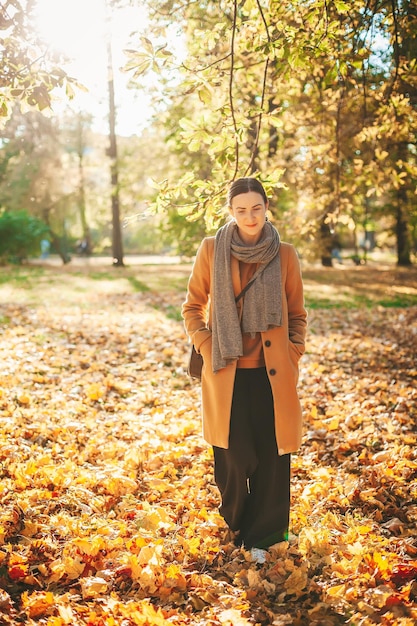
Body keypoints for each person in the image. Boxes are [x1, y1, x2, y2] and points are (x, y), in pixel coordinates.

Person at [182, 177, 307, 561]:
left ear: (266, 207)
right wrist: (208, 344)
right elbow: (192, 309)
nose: (249, 216)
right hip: (226, 373)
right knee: (234, 459)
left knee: (272, 456)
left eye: (256, 208)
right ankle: (237, 524)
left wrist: (293, 352)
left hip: (272, 373)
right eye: (241, 210)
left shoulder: (284, 254)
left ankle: (264, 537)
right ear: (230, 212)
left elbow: (298, 313)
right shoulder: (211, 249)